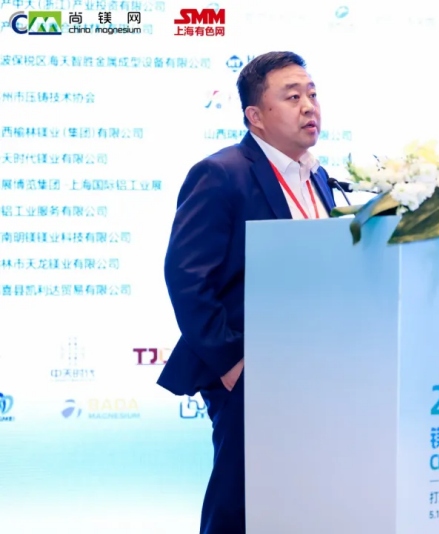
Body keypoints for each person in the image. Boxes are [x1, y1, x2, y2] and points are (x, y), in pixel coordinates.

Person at [157, 51, 336, 534]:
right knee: (239, 504)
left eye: (312, 94)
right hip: (252, 371)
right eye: (292, 97)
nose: (309, 106)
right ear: (255, 116)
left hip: (318, 369)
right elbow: (187, 278)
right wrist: (234, 364)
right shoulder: (222, 173)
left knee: (303, 499)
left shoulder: (318, 177)